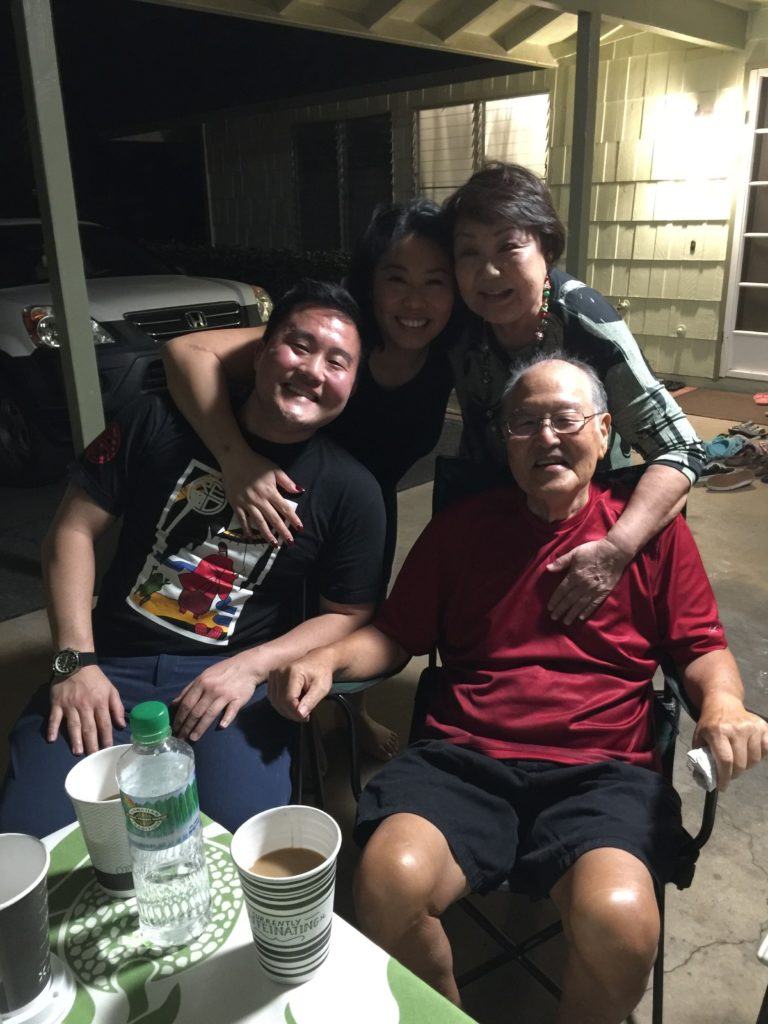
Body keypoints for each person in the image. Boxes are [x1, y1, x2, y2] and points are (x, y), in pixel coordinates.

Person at [267, 355, 768, 1024]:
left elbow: (701, 647)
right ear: (504, 441)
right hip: (462, 760)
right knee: (386, 883)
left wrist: (726, 704)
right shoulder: (463, 530)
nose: (547, 437)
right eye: (525, 423)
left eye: (567, 418)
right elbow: (396, 634)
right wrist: (328, 659)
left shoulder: (652, 537)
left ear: (604, 431)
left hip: (603, 770)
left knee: (621, 921)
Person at [0, 280, 385, 838]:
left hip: (233, 686)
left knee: (243, 845)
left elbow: (349, 613)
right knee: (28, 843)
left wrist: (252, 666)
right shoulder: (155, 420)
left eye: (337, 361)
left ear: (351, 385)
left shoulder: (352, 490)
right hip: (108, 665)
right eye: (298, 346)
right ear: (258, 354)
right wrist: (74, 662)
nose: (313, 370)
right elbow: (71, 532)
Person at [161, 199, 456, 759]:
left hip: (369, 499)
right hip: (279, 483)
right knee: (269, 611)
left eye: (435, 282)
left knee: (351, 614)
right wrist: (237, 460)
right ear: (370, 280)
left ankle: (349, 711)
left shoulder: (450, 352)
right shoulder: (336, 343)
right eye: (396, 278)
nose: (415, 300)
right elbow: (187, 352)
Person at [442, 162, 707, 625]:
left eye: (509, 247)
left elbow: (682, 448)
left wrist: (615, 550)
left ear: (546, 247)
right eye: (468, 252)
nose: (487, 271)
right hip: (500, 505)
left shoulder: (586, 321)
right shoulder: (457, 320)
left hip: (587, 514)